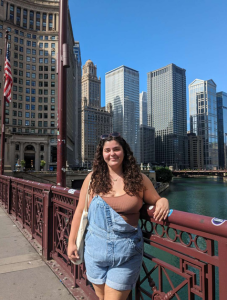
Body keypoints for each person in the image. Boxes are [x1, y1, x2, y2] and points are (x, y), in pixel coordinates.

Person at [68, 133, 169, 300]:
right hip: (95, 250)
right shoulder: (92, 179)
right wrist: (71, 242)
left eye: (116, 149)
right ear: (102, 154)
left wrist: (163, 201)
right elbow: (80, 211)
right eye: (107, 150)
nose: (112, 154)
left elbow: (157, 199)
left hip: (126, 252)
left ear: (124, 152)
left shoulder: (139, 179)